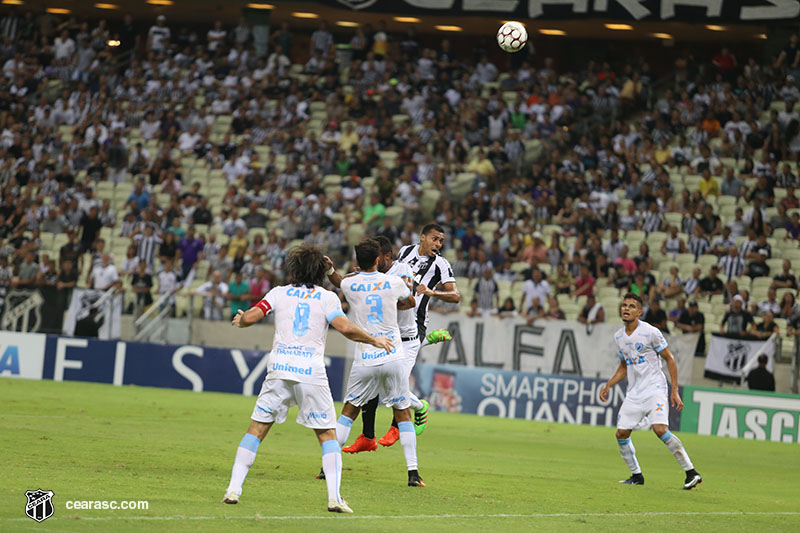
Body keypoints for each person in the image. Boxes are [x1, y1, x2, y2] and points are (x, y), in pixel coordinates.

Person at [222, 244, 395, 512]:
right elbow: (344, 327)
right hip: (310, 372)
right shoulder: (327, 298)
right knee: (327, 434)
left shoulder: (278, 293)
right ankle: (334, 498)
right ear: (320, 272)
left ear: (294, 271)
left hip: (279, 369)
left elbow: (252, 317)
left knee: (256, 429)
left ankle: (233, 489)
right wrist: (374, 339)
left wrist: (241, 320)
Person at [324, 234, 446, 454]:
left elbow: (409, 301)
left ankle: (417, 409)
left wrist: (384, 302)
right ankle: (368, 437)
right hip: (382, 339)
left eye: (377, 255)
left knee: (392, 387)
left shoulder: (402, 271)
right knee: (376, 384)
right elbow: (343, 281)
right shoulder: (369, 273)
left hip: (405, 339)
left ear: (386, 256)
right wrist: (331, 270)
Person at [333, 239, 427, 488]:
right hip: (393, 354)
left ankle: (326, 467)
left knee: (349, 411)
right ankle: (413, 473)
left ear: (358, 261)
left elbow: (338, 281)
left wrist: (331, 270)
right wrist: (394, 302)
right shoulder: (393, 282)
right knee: (403, 413)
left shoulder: (350, 283)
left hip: (366, 356)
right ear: (378, 259)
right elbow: (411, 302)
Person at [600, 293, 702, 490]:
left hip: (655, 387)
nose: (626, 308)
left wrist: (674, 391)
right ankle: (636, 476)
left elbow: (670, 359)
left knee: (660, 429)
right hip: (634, 392)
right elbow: (624, 366)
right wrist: (609, 385)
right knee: (621, 433)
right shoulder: (619, 336)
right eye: (624, 305)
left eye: (631, 306)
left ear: (639, 312)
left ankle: (691, 472)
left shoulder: (651, 332)